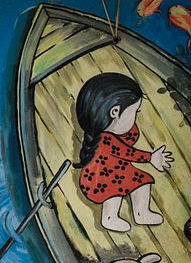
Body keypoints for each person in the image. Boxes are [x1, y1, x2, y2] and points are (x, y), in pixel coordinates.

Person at [74, 72, 174, 233]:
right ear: (114, 112)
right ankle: (109, 218)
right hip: (101, 179)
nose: (135, 117)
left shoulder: (109, 134)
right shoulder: (105, 140)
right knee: (113, 192)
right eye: (135, 112)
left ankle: (142, 212)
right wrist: (150, 158)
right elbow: (127, 153)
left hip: (117, 171)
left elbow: (128, 139)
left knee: (142, 181)